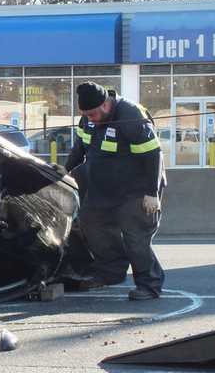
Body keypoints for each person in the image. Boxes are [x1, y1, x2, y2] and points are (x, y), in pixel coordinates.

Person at [65, 82, 166, 301]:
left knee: (135, 236)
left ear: (105, 104)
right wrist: (63, 173)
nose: (89, 118)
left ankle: (149, 285)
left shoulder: (131, 115)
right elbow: (79, 149)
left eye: (92, 113)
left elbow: (153, 155)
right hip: (103, 188)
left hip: (137, 190)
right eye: (85, 114)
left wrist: (152, 192)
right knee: (92, 224)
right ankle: (110, 272)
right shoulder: (88, 120)